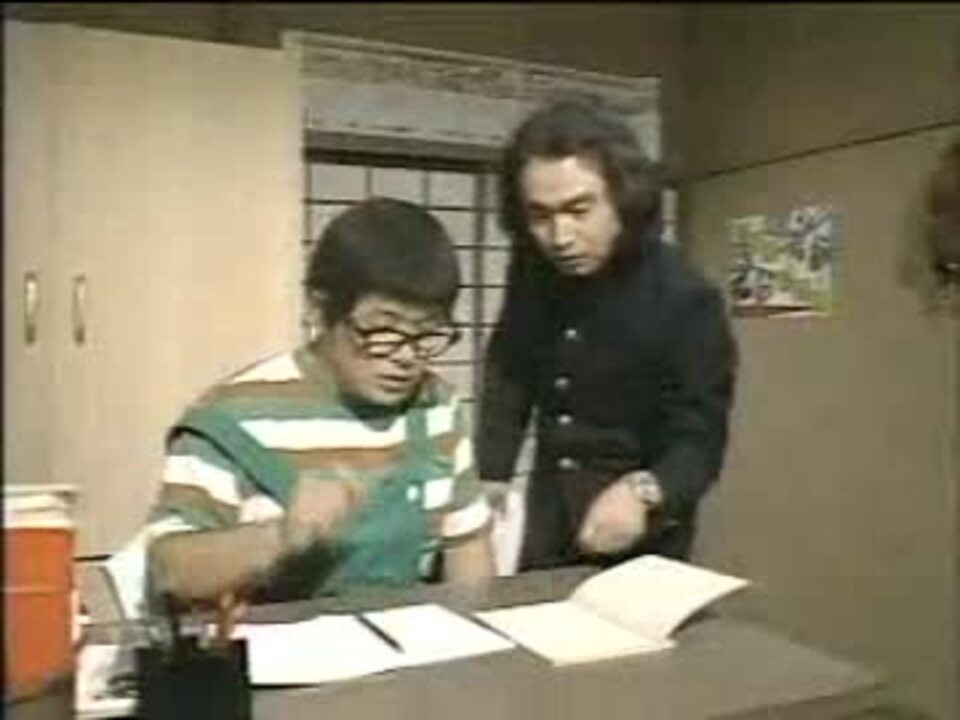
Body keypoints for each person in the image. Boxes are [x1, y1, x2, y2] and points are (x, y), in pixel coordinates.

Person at [142, 197, 494, 610]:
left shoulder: (437, 409)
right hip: (272, 648)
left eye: (427, 333)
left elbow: (468, 553)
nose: (406, 356)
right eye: (383, 329)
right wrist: (280, 537)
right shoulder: (234, 416)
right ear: (318, 308)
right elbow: (171, 570)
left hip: (406, 643)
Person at [478, 97, 737, 572]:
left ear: (624, 196)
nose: (560, 237)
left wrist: (646, 492)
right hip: (549, 514)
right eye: (540, 215)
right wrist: (491, 473)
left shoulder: (684, 296)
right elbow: (510, 366)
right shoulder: (533, 272)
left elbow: (700, 438)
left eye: (579, 209)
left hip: (642, 527)